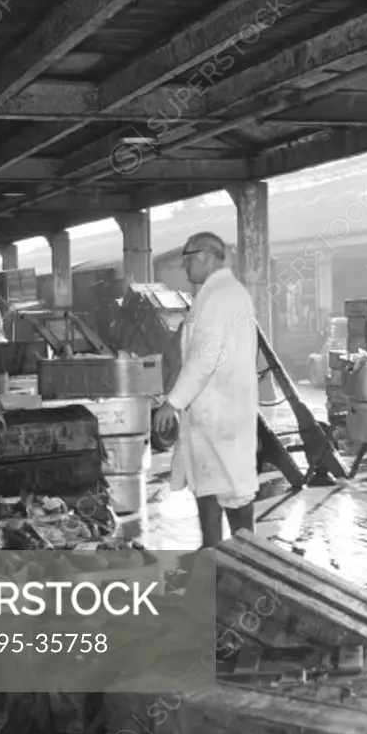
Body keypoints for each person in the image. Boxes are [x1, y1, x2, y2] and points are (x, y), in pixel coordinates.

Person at [153, 232, 259, 549]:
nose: (184, 268)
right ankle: (212, 551)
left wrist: (173, 402)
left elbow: (205, 356)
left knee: (233, 488)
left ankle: (248, 555)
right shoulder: (217, 294)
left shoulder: (221, 295)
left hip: (221, 413)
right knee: (209, 484)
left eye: (187, 259)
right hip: (214, 409)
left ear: (205, 256)